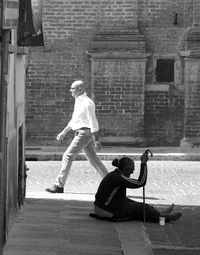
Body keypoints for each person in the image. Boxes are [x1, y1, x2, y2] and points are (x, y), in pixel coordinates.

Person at [46, 80, 109, 193]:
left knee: (68, 156)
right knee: (94, 160)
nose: (70, 90)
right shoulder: (78, 101)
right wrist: (64, 132)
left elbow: (93, 122)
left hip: (85, 133)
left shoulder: (87, 103)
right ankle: (111, 183)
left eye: (72, 88)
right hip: (83, 132)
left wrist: (97, 140)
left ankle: (59, 185)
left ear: (80, 89)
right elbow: (75, 120)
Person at [93, 150, 182, 223]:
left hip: (103, 205)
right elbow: (141, 182)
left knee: (131, 202)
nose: (132, 173)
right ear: (126, 169)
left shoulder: (116, 174)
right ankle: (164, 216)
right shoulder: (118, 177)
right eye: (131, 170)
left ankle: (160, 213)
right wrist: (143, 163)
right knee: (143, 208)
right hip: (107, 208)